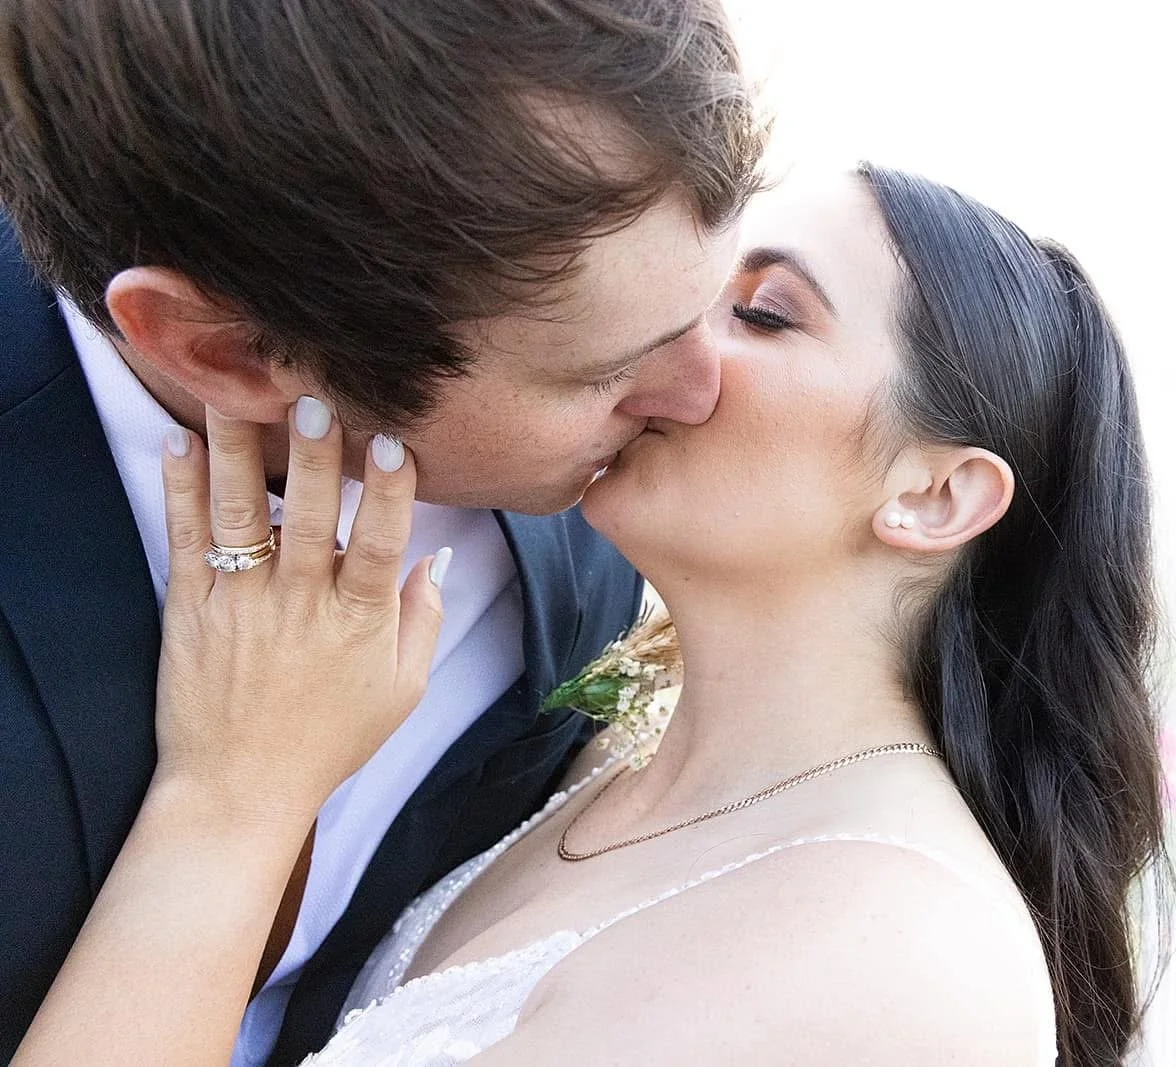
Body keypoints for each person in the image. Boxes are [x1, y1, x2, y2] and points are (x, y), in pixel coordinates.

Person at [15, 165, 1173, 1066]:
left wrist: (229, 795)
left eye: (763, 314)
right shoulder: (597, 766)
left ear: (933, 494)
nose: (666, 340)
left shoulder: (896, 949)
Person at [0, 1, 763, 1061]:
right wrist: (232, 801)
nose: (701, 397)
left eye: (722, 305)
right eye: (601, 373)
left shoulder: (592, 535)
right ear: (219, 350)